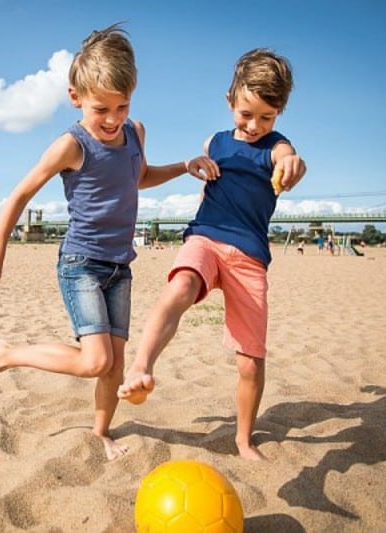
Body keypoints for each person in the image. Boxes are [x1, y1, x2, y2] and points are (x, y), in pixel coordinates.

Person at [0, 24, 208, 460]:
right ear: (76, 96)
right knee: (95, 361)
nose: (113, 119)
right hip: (81, 263)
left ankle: (100, 434)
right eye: (101, 109)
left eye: (122, 106)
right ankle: (6, 353)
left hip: (120, 267)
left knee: (113, 364)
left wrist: (184, 166)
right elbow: (20, 194)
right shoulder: (70, 146)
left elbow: (139, 177)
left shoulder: (135, 132)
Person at [117, 48, 307, 461]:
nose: (254, 125)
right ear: (230, 102)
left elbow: (289, 159)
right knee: (182, 285)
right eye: (245, 113)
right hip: (205, 236)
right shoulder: (214, 141)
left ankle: (243, 439)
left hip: (249, 256)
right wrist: (198, 163)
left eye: (266, 117)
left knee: (250, 362)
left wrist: (293, 163)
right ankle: (142, 366)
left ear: (279, 114)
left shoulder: (276, 146)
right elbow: (205, 175)